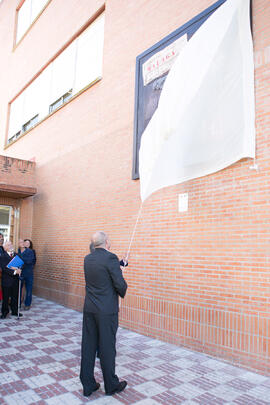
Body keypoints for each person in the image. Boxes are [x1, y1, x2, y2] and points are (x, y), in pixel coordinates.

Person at [80, 231, 128, 397]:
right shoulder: (110, 258)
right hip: (106, 311)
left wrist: (120, 266)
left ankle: (88, 385)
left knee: (88, 346)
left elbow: (102, 277)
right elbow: (120, 285)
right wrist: (120, 275)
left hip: (89, 309)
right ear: (107, 242)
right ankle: (111, 385)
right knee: (107, 347)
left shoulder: (88, 258)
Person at [0, 241, 22, 319]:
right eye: (8, 245)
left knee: (15, 297)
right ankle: (4, 312)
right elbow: (5, 268)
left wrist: (19, 269)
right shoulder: (2, 256)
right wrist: (15, 271)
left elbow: (20, 264)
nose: (10, 246)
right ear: (4, 247)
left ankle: (15, 311)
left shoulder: (16, 255)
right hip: (6, 281)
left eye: (11, 244)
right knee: (5, 298)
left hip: (15, 280)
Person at [17, 239, 36, 310]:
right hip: (20, 273)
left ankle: (27, 304)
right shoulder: (18, 251)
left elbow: (30, 261)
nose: (21, 243)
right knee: (19, 289)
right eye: (20, 242)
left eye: (22, 242)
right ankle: (18, 303)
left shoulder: (30, 251)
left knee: (29, 289)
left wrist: (20, 260)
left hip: (28, 273)